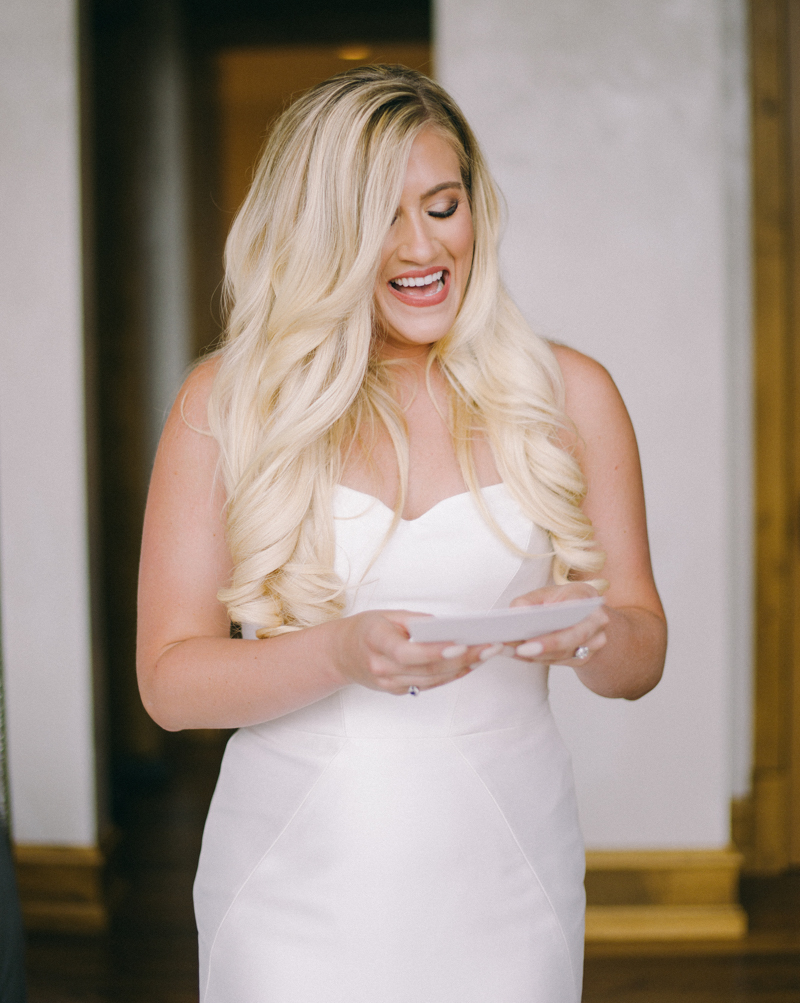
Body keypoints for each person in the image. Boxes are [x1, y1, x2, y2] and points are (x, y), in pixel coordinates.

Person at [137, 65, 666, 1003]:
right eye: (380, 215)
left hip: (506, 859)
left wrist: (591, 631)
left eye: (443, 204)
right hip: (294, 870)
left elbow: (640, 655)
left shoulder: (570, 393)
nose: (422, 245)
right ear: (319, 234)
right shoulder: (226, 404)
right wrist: (340, 652)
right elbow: (171, 686)